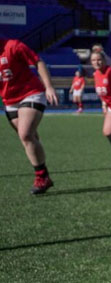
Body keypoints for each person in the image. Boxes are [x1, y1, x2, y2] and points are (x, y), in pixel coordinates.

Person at [1, 36, 58, 195]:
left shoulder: (13, 46)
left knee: (25, 134)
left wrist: (49, 87)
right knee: (29, 138)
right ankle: (44, 176)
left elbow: (38, 62)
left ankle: (41, 177)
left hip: (31, 93)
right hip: (9, 101)